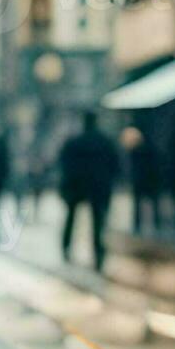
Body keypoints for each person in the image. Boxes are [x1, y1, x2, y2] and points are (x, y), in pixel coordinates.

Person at [58, 111, 121, 269]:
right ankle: (98, 254)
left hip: (77, 185)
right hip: (98, 186)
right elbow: (115, 164)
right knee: (98, 222)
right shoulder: (104, 142)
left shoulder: (74, 142)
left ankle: (66, 247)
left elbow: (65, 164)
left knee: (71, 218)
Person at [121, 126, 162, 234]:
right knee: (152, 203)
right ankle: (155, 223)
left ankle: (138, 223)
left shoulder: (136, 152)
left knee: (139, 203)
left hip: (141, 180)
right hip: (150, 180)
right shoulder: (152, 150)